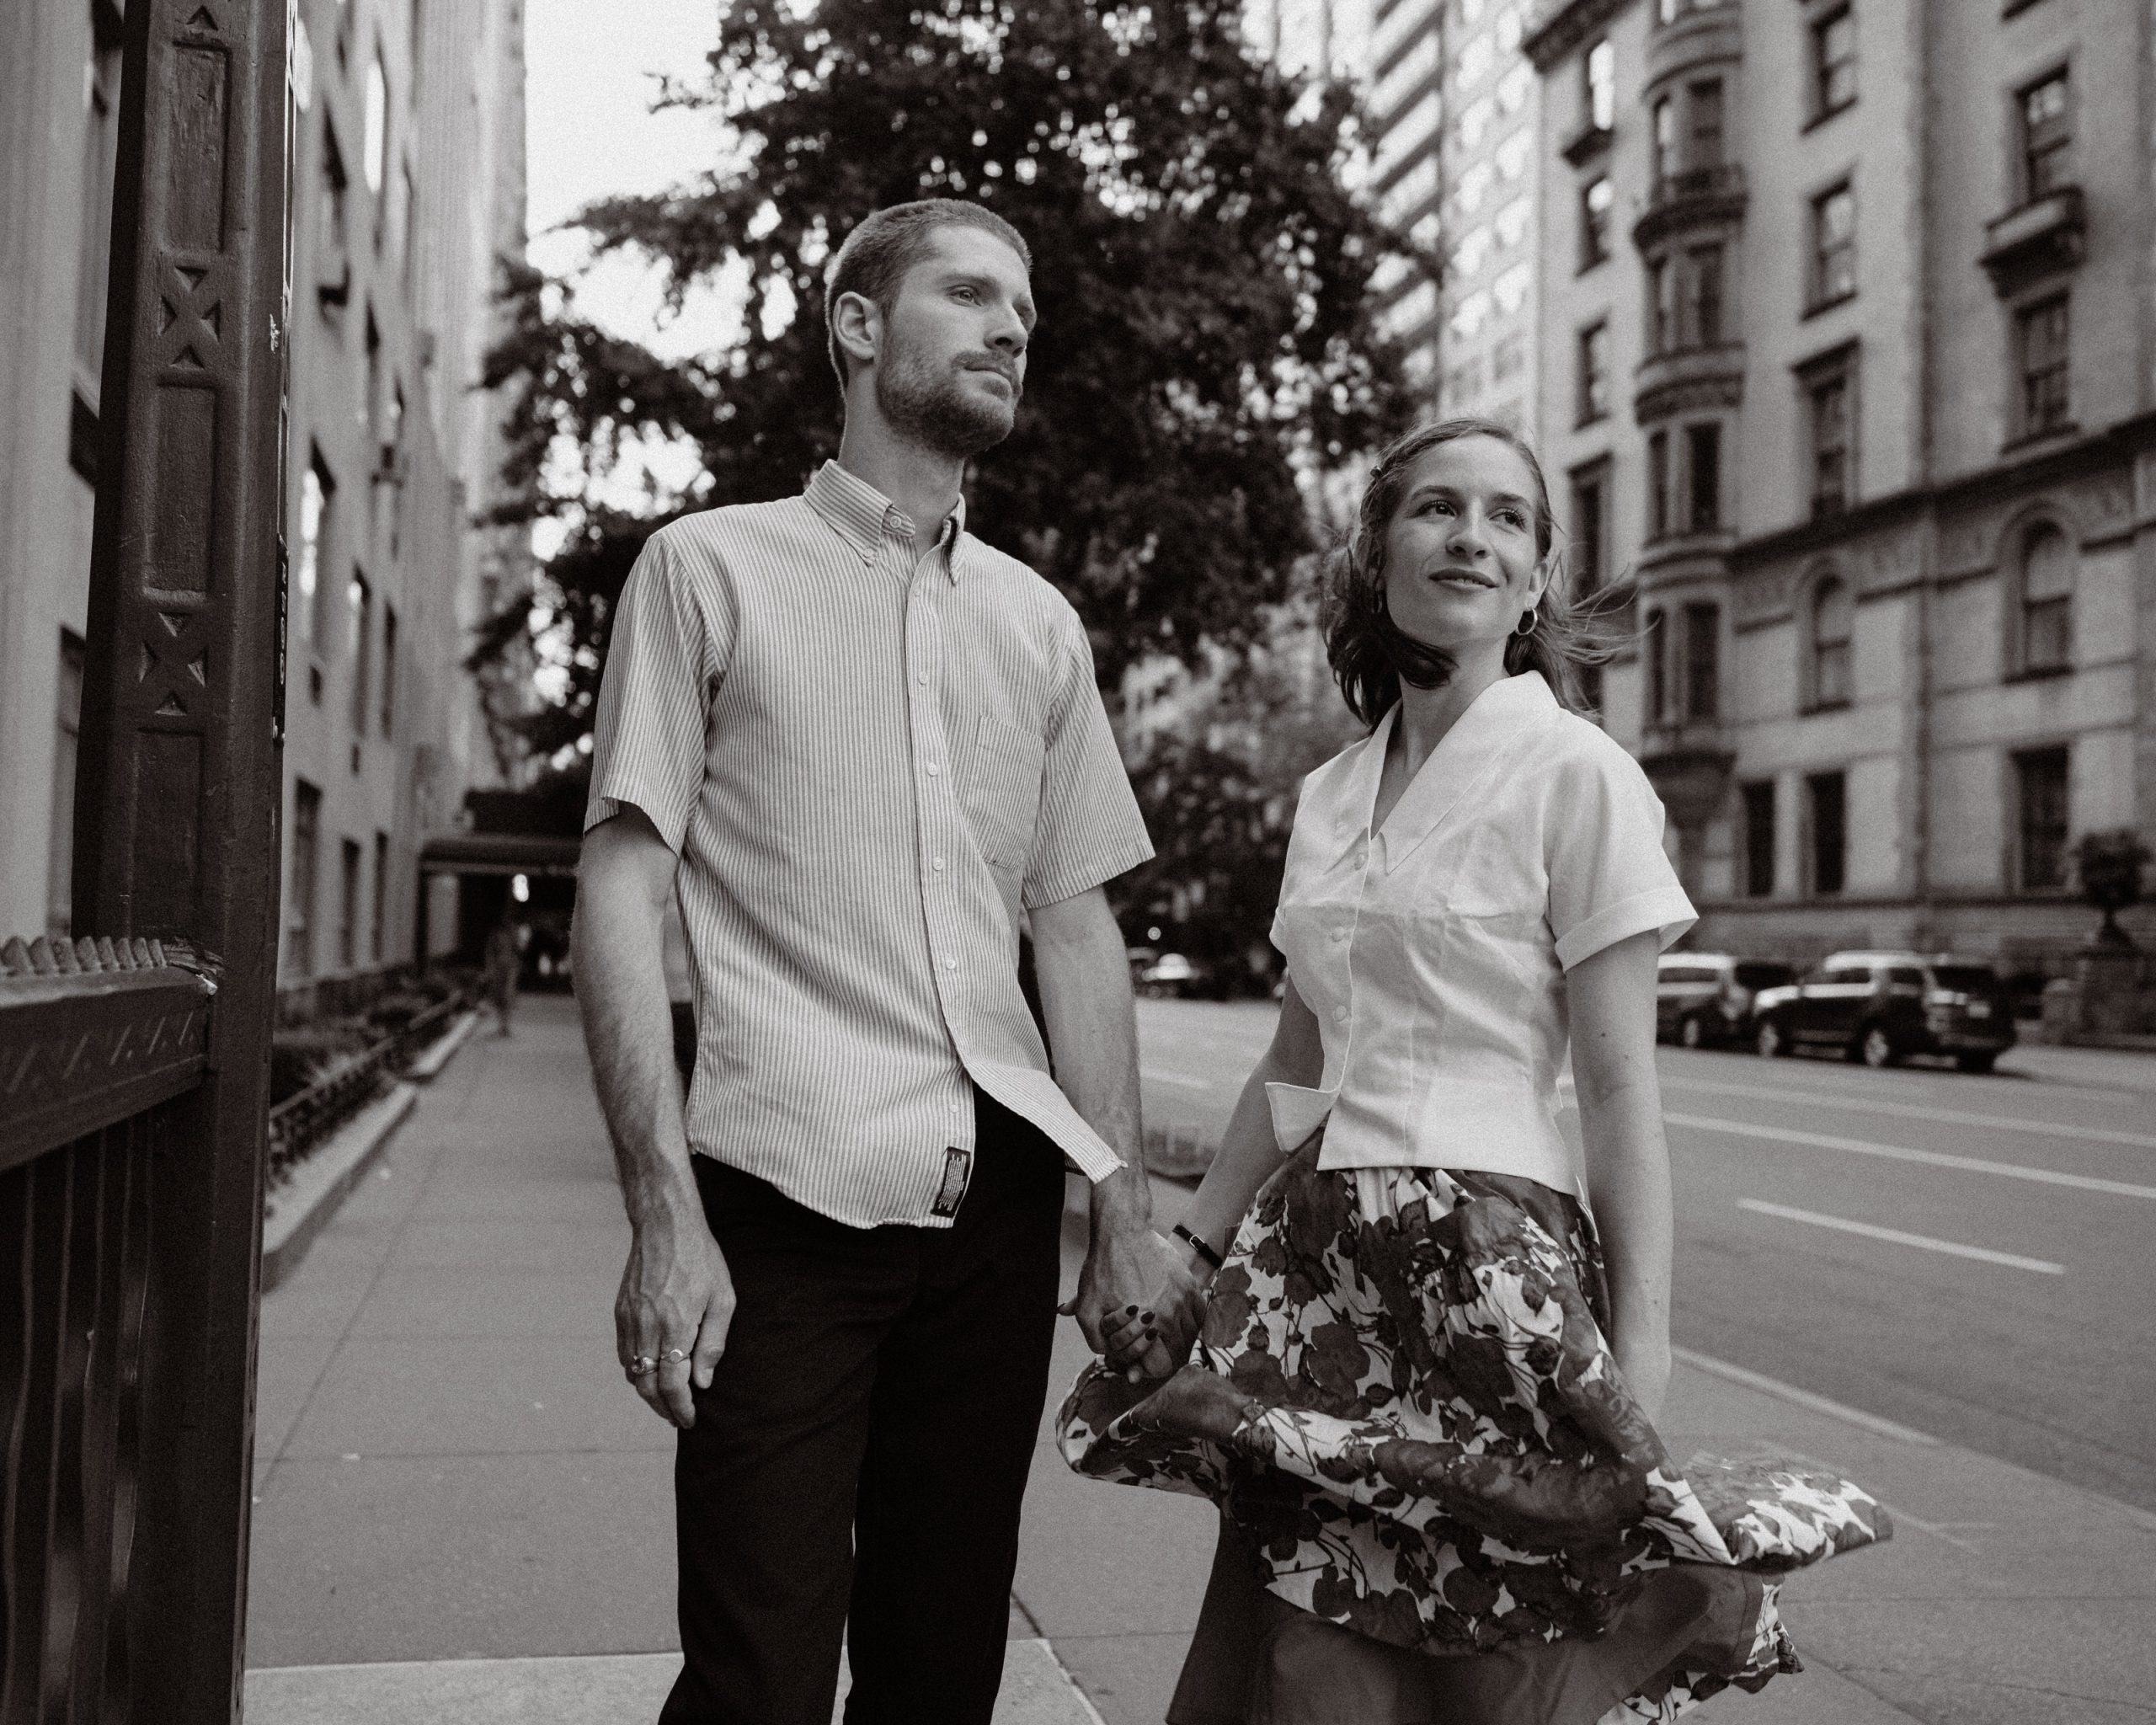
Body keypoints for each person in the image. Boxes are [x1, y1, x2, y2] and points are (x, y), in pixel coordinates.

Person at [1059, 419, 1889, 1724]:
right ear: (1378, 548)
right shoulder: (1331, 792)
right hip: (1318, 1283)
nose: (1473, 535)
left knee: (1488, 1655)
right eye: (1439, 508)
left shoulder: (1580, 774)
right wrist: (1192, 1245)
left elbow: (1621, 1096)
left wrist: (1644, 1353)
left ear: (1539, 575)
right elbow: (1300, 1056)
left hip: (1492, 1271)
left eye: (1509, 518)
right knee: (1311, 1646)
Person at [572, 198, 1203, 1725]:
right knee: (758, 1682)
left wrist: (1118, 1213)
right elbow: (620, 878)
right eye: (971, 294)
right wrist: (661, 1212)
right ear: (857, 324)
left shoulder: (1039, 625)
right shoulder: (705, 570)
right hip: (781, 1195)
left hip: (991, 1213)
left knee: (939, 1675)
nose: (1010, 329)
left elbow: (1075, 924)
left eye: (1025, 315)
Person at [483, 914, 519, 1035]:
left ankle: (505, 1025)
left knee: (507, 996)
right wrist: (490, 968)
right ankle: (502, 1025)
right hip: (499, 968)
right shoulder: (496, 936)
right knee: (499, 997)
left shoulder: (513, 935)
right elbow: (490, 953)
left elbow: (518, 951)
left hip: (510, 968)